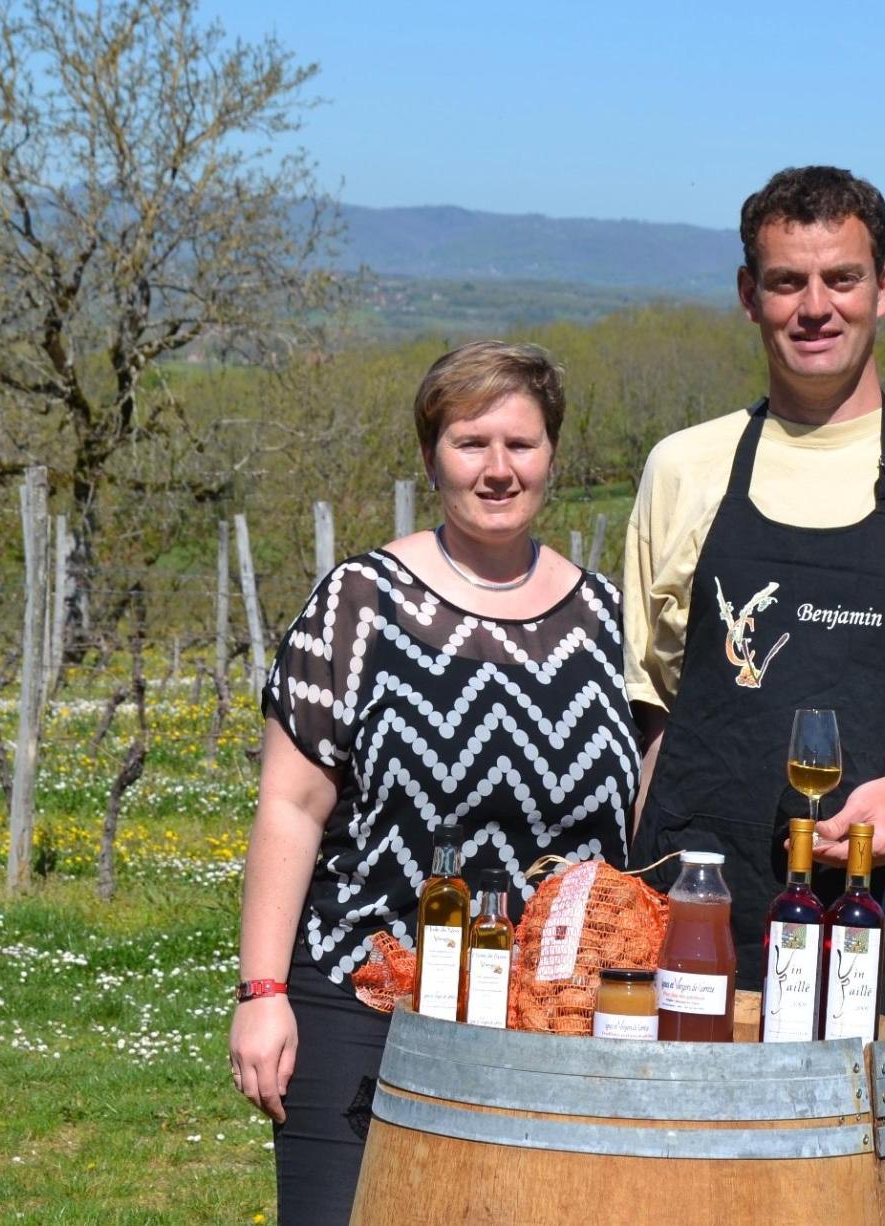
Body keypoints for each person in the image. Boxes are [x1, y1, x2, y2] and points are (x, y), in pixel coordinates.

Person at [624, 166, 885, 1224]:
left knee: (872, 1203)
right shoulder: (683, 470)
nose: (813, 306)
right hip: (700, 937)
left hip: (877, 923)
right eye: (785, 282)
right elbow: (651, 724)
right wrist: (629, 915)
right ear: (747, 294)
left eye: (840, 278)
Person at [229, 341, 641, 1224]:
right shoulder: (360, 604)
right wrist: (261, 993)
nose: (499, 469)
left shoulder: (608, 619)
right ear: (431, 458)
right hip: (365, 1000)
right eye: (471, 443)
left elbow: (629, 826)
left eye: (521, 445)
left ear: (553, 457)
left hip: (550, 1027)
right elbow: (290, 808)